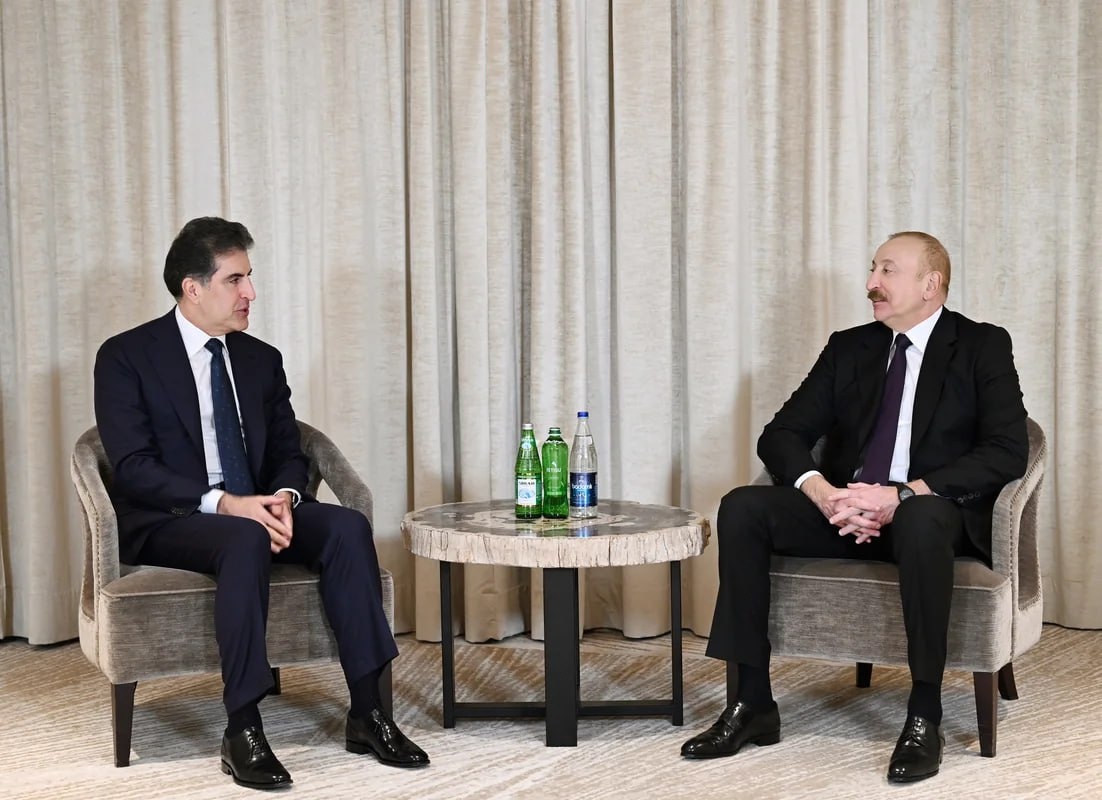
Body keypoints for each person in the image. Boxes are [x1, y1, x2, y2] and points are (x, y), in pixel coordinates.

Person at [94, 217, 429, 790]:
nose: (250, 291)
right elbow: (133, 467)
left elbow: (286, 448)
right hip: (169, 518)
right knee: (244, 534)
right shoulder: (127, 356)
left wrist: (284, 498)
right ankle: (242, 728)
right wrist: (226, 504)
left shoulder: (259, 358)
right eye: (235, 280)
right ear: (192, 288)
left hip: (257, 510)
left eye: (249, 277)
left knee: (347, 527)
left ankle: (368, 712)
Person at [680, 232, 1028, 784]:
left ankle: (925, 714)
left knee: (920, 518)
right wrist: (825, 493)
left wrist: (902, 494)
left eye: (888, 271)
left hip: (930, 514)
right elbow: (781, 434)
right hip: (846, 511)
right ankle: (752, 703)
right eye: (872, 269)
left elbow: (1008, 450)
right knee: (742, 508)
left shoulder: (981, 345)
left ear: (931, 284)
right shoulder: (850, 347)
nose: (871, 283)